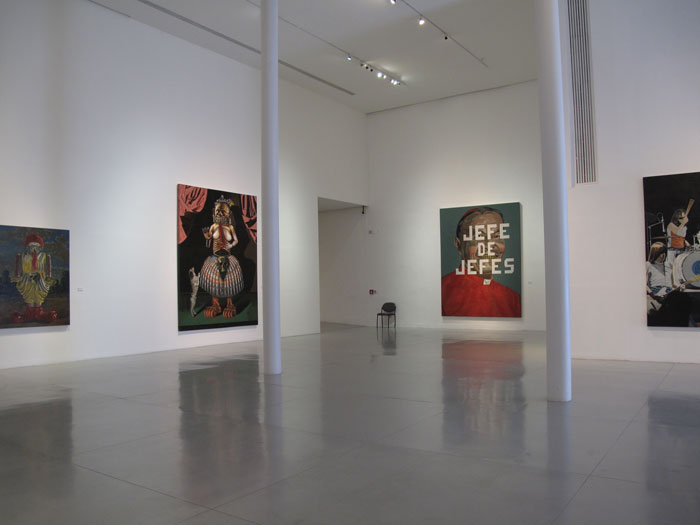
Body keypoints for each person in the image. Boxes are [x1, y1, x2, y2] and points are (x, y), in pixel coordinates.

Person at [441, 207, 521, 317]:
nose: (489, 245)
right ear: (459, 245)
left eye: (497, 236)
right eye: (479, 237)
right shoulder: (442, 292)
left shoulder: (513, 299)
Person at [199, 196, 244, 319]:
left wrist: (231, 245)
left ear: (228, 213)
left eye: (223, 211)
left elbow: (235, 240)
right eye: (218, 211)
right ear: (214, 212)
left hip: (228, 256)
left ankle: (230, 304)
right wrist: (207, 237)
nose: (220, 213)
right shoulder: (213, 226)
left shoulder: (230, 227)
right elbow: (209, 241)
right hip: (215, 257)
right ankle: (215, 304)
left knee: (229, 282)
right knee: (215, 282)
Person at [11, 234, 58, 323]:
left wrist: (42, 277)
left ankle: (38, 313)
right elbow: (18, 273)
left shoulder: (45, 256)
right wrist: (25, 276)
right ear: (27, 246)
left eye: (36, 245)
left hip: (40, 281)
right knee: (29, 294)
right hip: (26, 281)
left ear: (40, 246)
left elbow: (48, 273)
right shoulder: (22, 256)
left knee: (39, 293)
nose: (34, 247)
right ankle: (29, 314)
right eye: (32, 245)